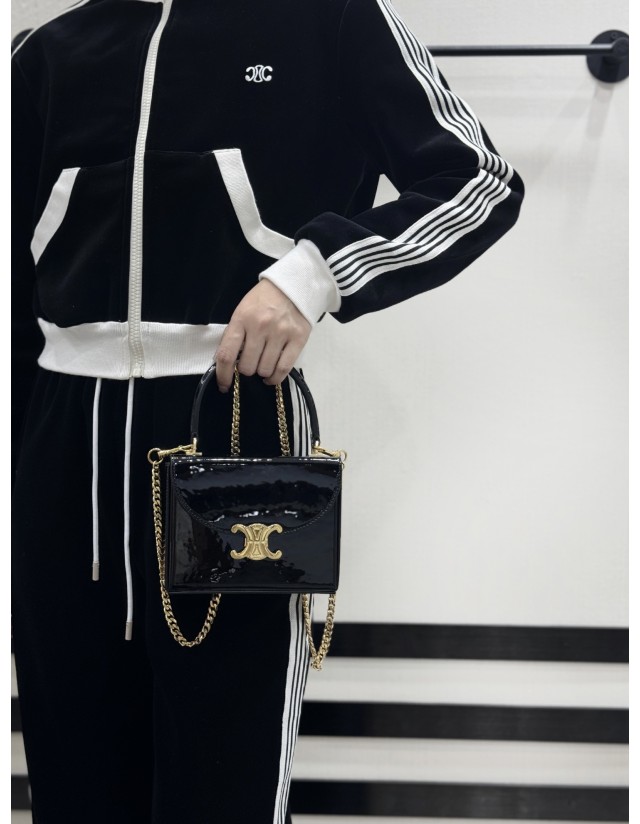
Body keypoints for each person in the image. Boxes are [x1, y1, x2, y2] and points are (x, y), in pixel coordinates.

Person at [11, 0, 524, 821]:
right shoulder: (47, 53)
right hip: (57, 432)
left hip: (234, 416)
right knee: (69, 759)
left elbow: (479, 180)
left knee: (228, 764)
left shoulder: (327, 19)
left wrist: (313, 275)